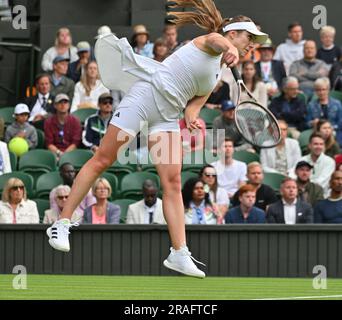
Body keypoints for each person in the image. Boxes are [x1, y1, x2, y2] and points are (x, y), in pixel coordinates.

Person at [47, 0, 268, 279]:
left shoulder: (214, 75)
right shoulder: (210, 43)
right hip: (145, 97)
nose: (253, 45)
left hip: (166, 118)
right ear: (233, 33)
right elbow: (216, 39)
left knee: (173, 182)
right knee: (104, 159)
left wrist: (191, 118)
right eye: (250, 38)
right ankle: (62, 222)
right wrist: (230, 48)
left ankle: (178, 252)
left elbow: (193, 106)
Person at [290, 133, 335, 197]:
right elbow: (292, 175)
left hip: (322, 195)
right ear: (309, 145)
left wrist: (302, 183)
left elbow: (321, 182)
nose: (318, 147)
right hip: (300, 193)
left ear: (324, 146)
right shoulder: (302, 159)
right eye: (315, 144)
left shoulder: (330, 162)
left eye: (321, 144)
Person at [44, 94, 82, 160]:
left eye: (65, 102)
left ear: (69, 105)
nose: (63, 105)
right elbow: (49, 144)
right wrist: (59, 153)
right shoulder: (48, 122)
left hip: (71, 153)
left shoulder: (75, 121)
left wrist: (65, 155)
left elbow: (75, 143)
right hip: (54, 153)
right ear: (55, 105)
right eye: (60, 102)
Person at [306, 77, 342, 145]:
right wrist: (312, 123)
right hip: (317, 132)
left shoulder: (337, 104)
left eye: (323, 89)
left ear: (328, 90)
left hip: (335, 131)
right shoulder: (311, 105)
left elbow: (340, 122)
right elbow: (307, 123)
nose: (321, 92)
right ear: (315, 91)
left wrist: (330, 128)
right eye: (318, 90)